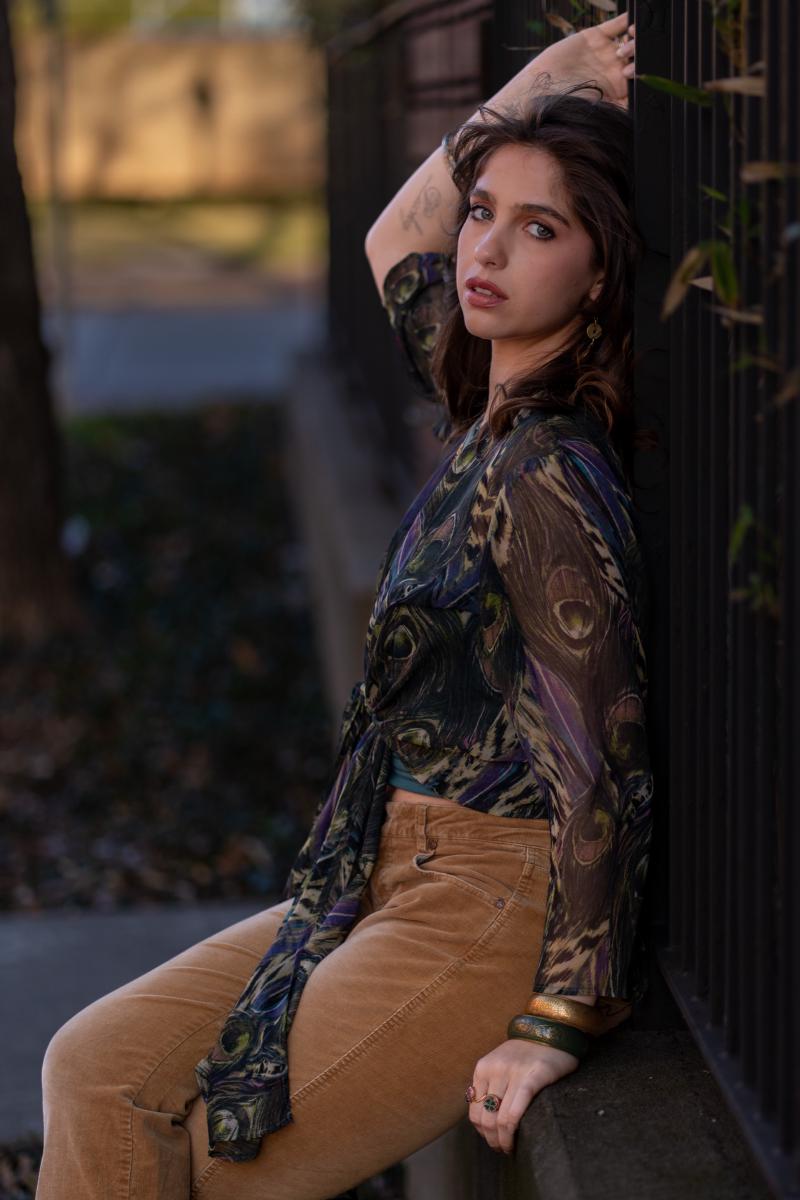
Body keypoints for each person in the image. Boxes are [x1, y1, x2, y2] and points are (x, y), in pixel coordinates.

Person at [36, 11, 650, 1200]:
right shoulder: (485, 400)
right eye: (485, 215)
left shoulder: (546, 473)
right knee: (92, 1070)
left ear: (598, 267)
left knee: (206, 1156)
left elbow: (606, 763)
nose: (484, 250)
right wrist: (548, 79)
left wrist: (560, 1016)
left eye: (539, 230)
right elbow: (393, 235)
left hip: (488, 903)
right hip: (383, 867)